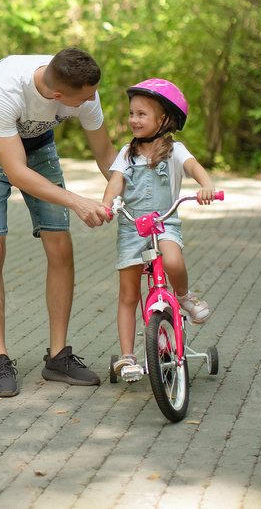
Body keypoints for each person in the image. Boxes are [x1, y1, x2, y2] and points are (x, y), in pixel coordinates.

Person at [0, 48, 117, 397]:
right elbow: (17, 172)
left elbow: (106, 154)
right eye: (87, 97)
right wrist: (77, 201)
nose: (93, 100)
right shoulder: (6, 87)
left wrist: (131, 196)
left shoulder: (81, 87)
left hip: (39, 150)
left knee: (60, 243)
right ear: (59, 96)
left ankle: (58, 357)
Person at [100, 79, 216, 383]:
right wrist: (107, 203)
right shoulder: (128, 153)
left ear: (164, 119)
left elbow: (194, 167)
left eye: (142, 114)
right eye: (132, 114)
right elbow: (115, 182)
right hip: (131, 228)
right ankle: (127, 356)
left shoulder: (175, 150)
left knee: (174, 261)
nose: (133, 120)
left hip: (165, 223)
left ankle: (185, 297)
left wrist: (206, 185)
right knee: (128, 294)